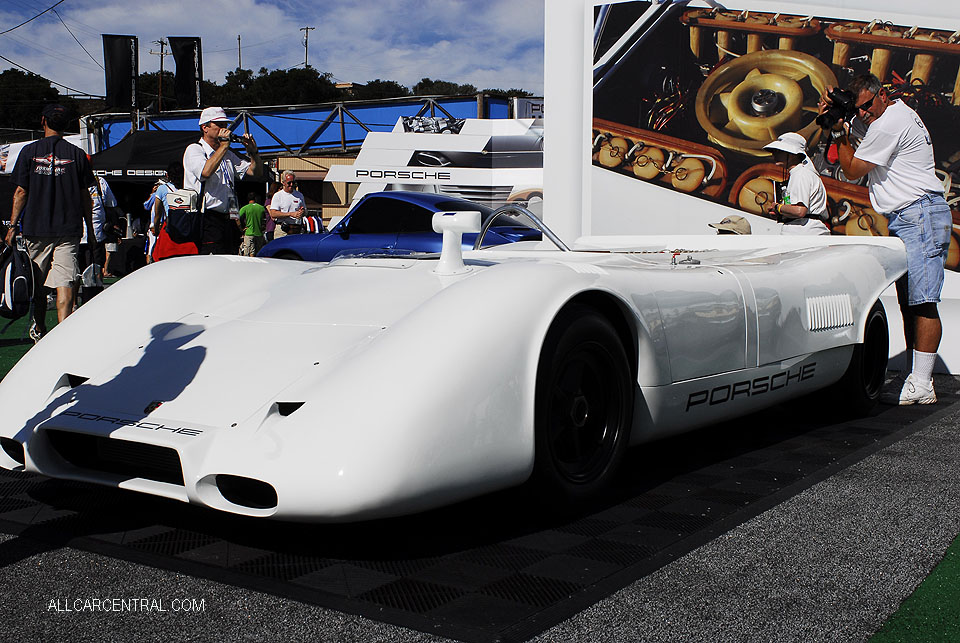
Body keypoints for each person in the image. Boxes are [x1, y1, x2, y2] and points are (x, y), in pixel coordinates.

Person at [823, 73, 951, 404]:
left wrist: (838, 129)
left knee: (923, 301)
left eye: (867, 105)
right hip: (912, 215)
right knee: (911, 302)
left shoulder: (888, 125)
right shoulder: (897, 113)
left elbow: (851, 170)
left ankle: (922, 382)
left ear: (882, 94)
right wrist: (843, 114)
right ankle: (918, 380)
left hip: (917, 214)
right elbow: (864, 135)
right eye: (859, 108)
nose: (863, 113)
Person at [4, 104, 95, 342]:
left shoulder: (29, 151)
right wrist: (91, 228)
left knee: (38, 285)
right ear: (66, 125)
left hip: (36, 228)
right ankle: (62, 338)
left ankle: (41, 327)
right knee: (66, 282)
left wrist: (12, 226)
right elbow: (86, 196)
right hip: (69, 228)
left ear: (43, 121)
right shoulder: (77, 154)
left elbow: (21, 192)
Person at [183, 106, 261, 255]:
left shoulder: (227, 154)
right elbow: (205, 172)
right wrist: (224, 146)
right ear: (205, 127)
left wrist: (253, 152)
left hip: (228, 218)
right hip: (207, 217)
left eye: (225, 125)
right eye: (219, 125)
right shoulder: (195, 149)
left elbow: (254, 172)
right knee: (212, 259)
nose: (223, 129)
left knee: (230, 258)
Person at [763, 132, 830, 236]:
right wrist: (781, 213)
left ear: (792, 154)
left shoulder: (801, 174)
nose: (774, 154)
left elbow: (800, 211)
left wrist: (777, 207)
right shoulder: (801, 173)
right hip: (806, 233)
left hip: (803, 235)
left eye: (779, 151)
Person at [146, 161, 183, 262]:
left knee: (161, 257)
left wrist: (156, 228)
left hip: (170, 226)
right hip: (186, 227)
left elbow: (157, 213)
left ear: (168, 175)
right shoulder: (189, 186)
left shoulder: (162, 189)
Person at [268, 171, 305, 238]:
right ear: (283, 183)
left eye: (293, 182)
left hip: (296, 229)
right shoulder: (278, 195)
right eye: (289, 183)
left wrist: (302, 212)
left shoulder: (299, 195)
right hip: (283, 230)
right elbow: (273, 213)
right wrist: (290, 214)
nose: (291, 185)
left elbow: (305, 211)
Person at [237, 192, 268, 256]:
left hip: (249, 233)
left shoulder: (245, 208)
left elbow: (237, 218)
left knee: (249, 254)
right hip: (259, 233)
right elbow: (266, 219)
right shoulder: (261, 208)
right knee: (259, 254)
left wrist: (241, 228)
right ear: (255, 198)